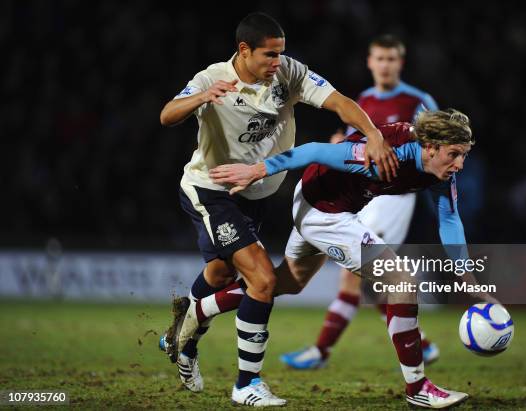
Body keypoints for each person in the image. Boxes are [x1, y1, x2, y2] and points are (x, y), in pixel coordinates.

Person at [158, 11, 399, 406]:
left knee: (219, 275)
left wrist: (372, 133)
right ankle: (246, 383)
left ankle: (181, 341)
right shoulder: (212, 77)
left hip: (256, 194)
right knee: (263, 280)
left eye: (281, 54)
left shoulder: (289, 73)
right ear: (244, 50)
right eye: (270, 55)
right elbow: (167, 114)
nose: (278, 63)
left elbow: (339, 101)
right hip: (213, 189)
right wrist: (200, 98)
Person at [178, 109, 493, 408]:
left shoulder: (438, 170)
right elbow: (314, 150)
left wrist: (467, 279)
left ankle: (200, 309)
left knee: (284, 283)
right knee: (401, 281)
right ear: (432, 147)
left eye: (464, 154)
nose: (460, 164)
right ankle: (418, 389)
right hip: (324, 213)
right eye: (455, 154)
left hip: (321, 202)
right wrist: (257, 170)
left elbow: (450, 220)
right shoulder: (387, 154)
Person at [280, 34, 441, 370]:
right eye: (380, 59)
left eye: (391, 59)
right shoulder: (363, 99)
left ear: (401, 62)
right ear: (370, 62)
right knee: (365, 280)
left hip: (394, 199)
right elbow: (353, 139)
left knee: (360, 276)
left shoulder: (418, 100)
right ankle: (420, 344)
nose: (385, 65)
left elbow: (437, 147)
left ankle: (321, 351)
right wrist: (340, 142)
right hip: (363, 193)